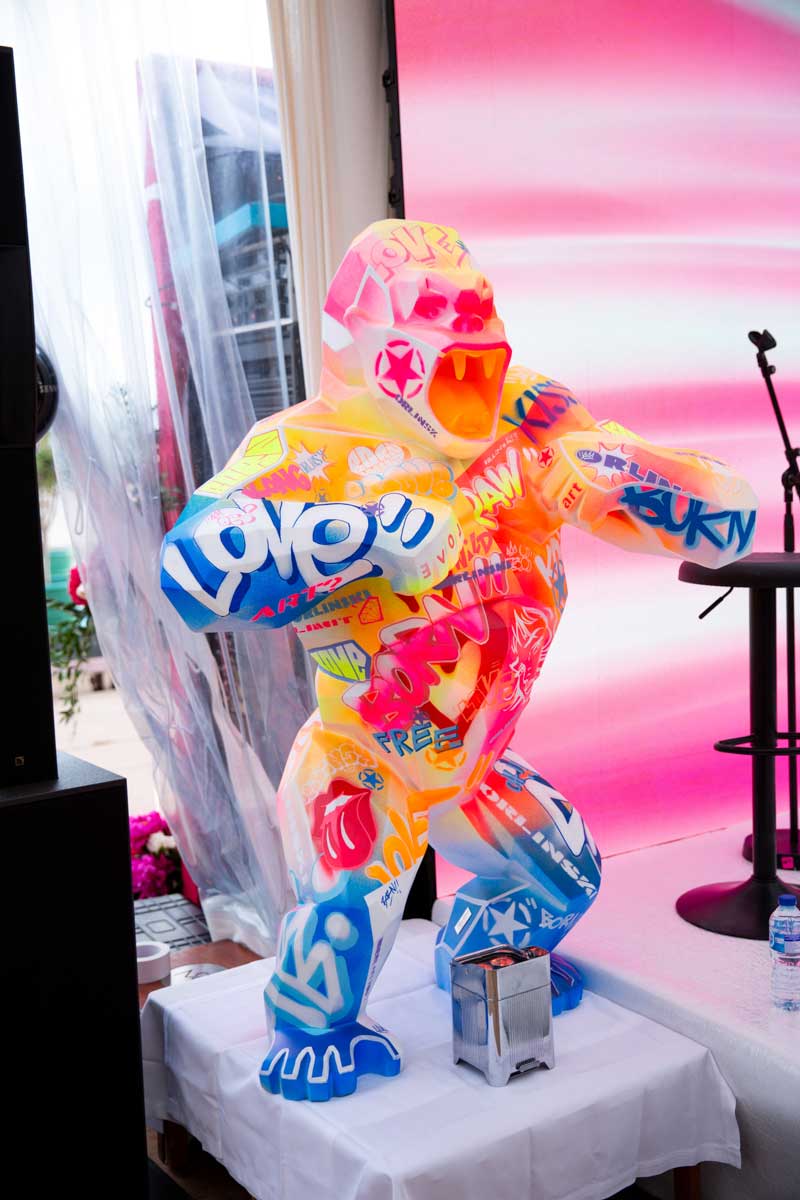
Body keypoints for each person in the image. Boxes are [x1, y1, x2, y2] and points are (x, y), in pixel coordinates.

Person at [161, 219, 758, 1100]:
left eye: (483, 352)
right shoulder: (309, 446)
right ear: (382, 353)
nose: (473, 379)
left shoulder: (530, 413)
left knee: (569, 879)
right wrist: (359, 536)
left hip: (473, 766)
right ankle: (313, 1027)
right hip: (362, 761)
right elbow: (190, 569)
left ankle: (473, 956)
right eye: (451, 357)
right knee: (340, 943)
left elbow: (730, 521)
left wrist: (627, 474)